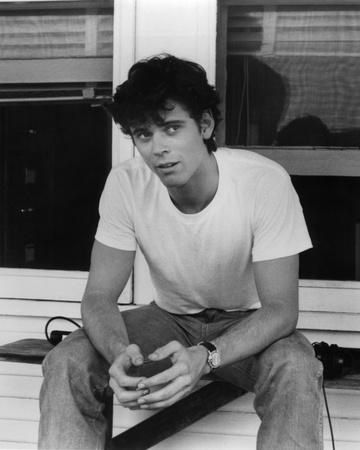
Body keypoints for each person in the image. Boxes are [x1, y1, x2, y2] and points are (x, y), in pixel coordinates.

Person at [38, 54, 323, 450]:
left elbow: (281, 310)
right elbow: (99, 296)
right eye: (143, 135)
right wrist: (118, 352)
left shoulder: (263, 182)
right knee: (68, 360)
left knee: (295, 365)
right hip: (169, 319)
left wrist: (205, 356)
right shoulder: (126, 183)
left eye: (172, 128)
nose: (158, 149)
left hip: (248, 325)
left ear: (204, 125)